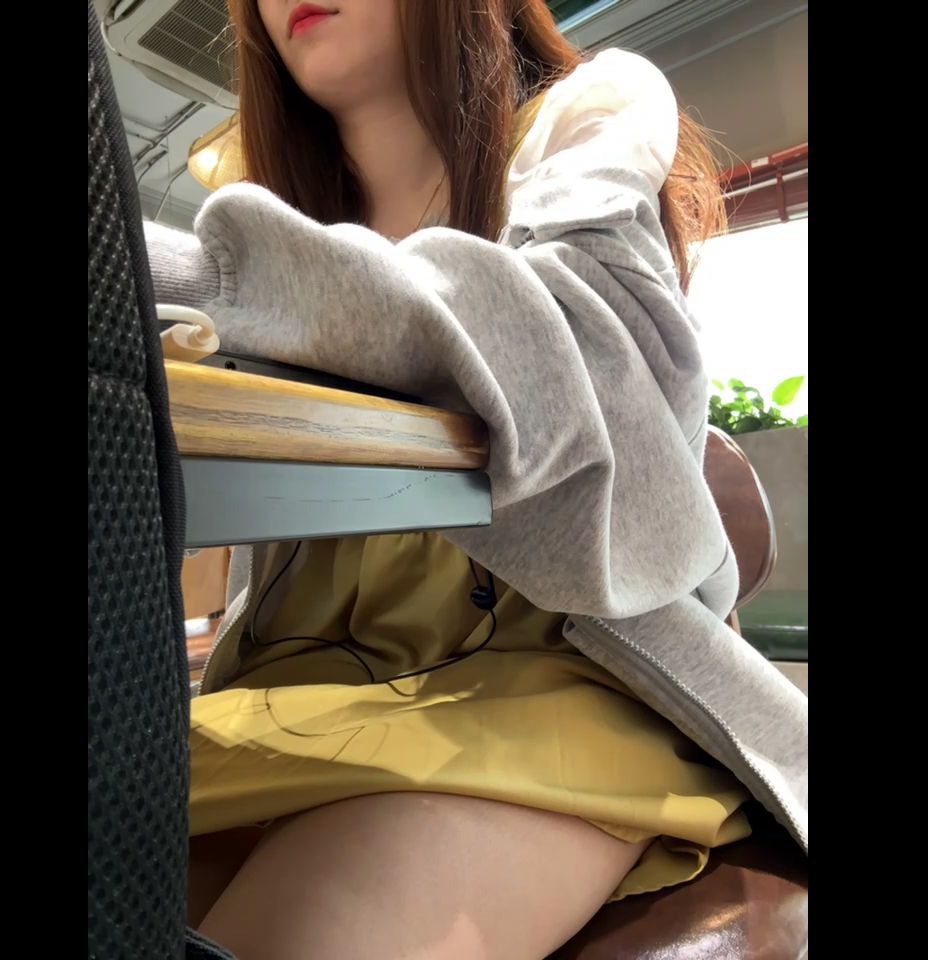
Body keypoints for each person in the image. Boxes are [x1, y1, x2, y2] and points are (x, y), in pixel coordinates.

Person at [144, 2, 808, 957]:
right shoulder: (276, 210)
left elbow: (582, 368)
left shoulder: (588, 117)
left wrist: (200, 282)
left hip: (558, 685)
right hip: (298, 695)